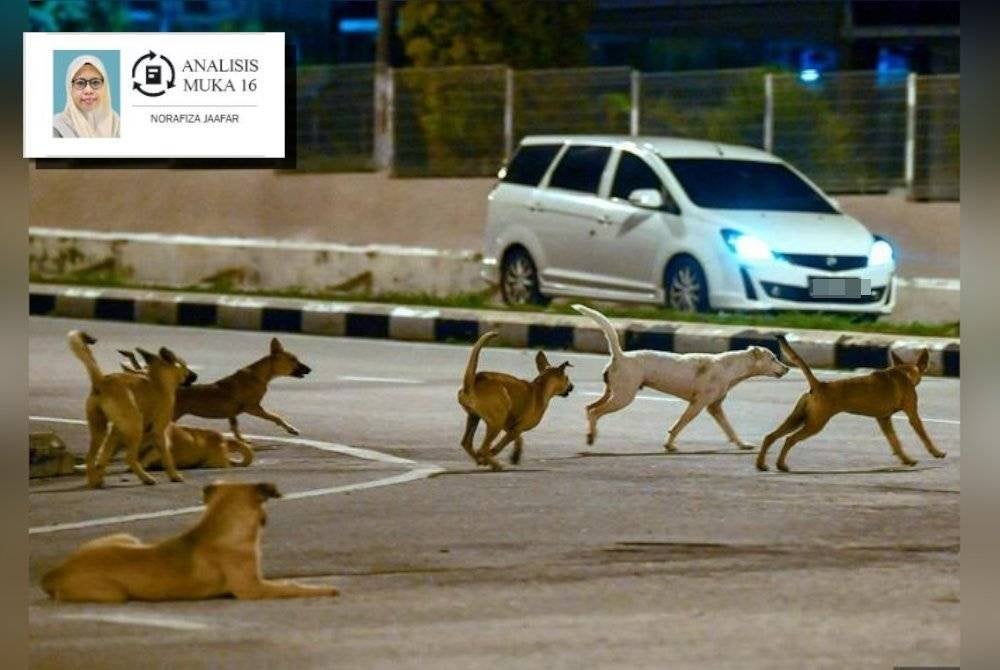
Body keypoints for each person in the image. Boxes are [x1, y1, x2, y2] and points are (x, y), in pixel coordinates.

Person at [53, 54, 120, 138]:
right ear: (70, 88)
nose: (88, 91)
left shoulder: (117, 125)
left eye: (95, 82)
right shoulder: (57, 128)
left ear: (105, 87)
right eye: (80, 83)